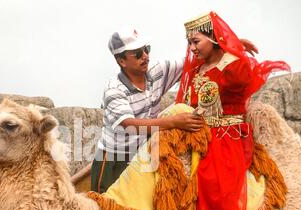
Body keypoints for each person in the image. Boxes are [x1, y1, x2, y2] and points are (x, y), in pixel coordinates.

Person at [176, 12, 290, 210]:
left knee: (217, 181)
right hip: (199, 132)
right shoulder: (196, 70)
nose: (191, 48)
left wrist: (234, 43)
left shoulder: (234, 66)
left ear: (214, 37)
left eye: (196, 41)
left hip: (228, 137)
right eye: (189, 42)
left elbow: (238, 68)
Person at [91, 27, 257, 194]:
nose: (145, 56)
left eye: (146, 49)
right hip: (116, 157)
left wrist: (226, 46)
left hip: (144, 152)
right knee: (106, 207)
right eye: (137, 53)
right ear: (122, 61)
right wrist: (173, 122)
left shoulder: (157, 71)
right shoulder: (114, 90)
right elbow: (129, 125)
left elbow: (193, 61)